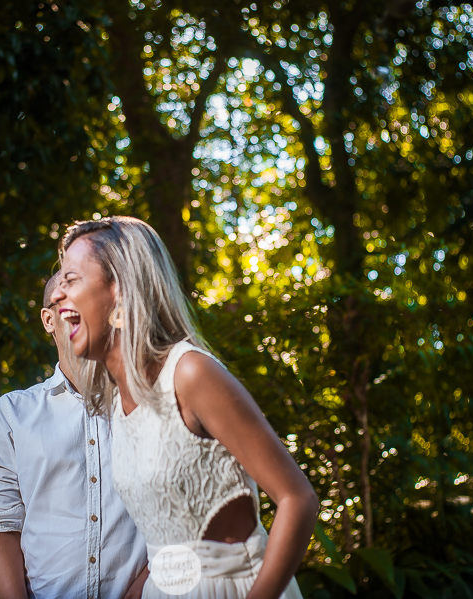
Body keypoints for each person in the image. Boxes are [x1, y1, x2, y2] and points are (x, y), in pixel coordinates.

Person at [50, 216, 318, 599]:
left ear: (120, 289)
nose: (57, 295)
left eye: (71, 279)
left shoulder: (191, 374)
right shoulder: (116, 401)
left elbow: (298, 499)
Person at [0, 271, 148, 599]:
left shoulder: (149, 407)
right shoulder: (12, 413)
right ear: (48, 320)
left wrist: (143, 588)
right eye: (72, 307)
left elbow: (181, 510)